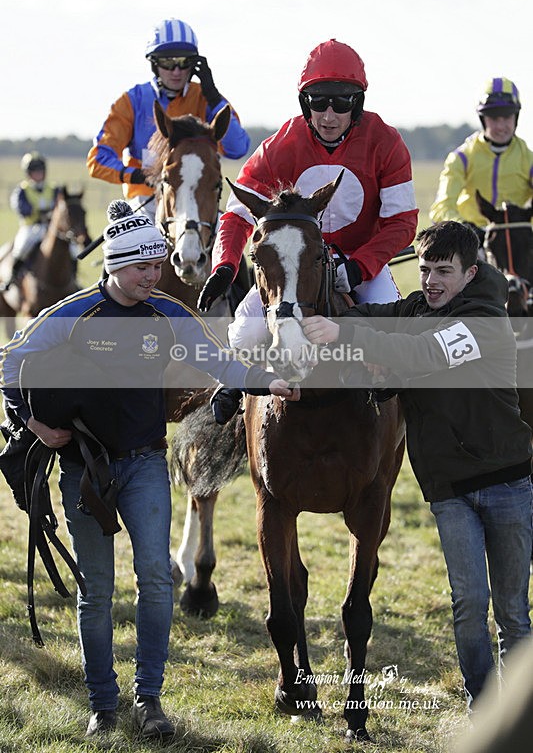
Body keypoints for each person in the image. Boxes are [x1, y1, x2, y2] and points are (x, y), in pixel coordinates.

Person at [0, 201, 296, 740]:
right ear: (114, 265)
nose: (154, 276)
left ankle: (150, 699)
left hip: (144, 465)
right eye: (143, 268)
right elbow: (9, 363)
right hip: (84, 471)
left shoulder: (167, 313)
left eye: (157, 266)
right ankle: (103, 705)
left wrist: (265, 379)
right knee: (97, 589)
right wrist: (35, 426)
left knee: (157, 581)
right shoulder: (73, 314)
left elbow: (218, 361)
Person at [300, 221, 533, 713]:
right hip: (448, 490)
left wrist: (344, 332)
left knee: (512, 612)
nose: (430, 281)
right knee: (469, 607)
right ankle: (482, 706)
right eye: (424, 269)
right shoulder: (417, 308)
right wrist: (335, 314)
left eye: (443, 272)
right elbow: (376, 316)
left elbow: (422, 352)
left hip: (508, 482)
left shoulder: (487, 320)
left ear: (471, 274)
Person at [197, 38, 419, 348]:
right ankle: (228, 393)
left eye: (341, 104)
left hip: (359, 263)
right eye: (318, 102)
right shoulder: (279, 147)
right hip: (292, 264)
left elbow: (402, 222)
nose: (328, 116)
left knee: (394, 337)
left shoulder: (387, 142)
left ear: (357, 104)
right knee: (244, 338)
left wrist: (359, 267)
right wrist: (225, 266)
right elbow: (237, 214)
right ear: (305, 103)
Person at [87, 17, 250, 220]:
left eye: (184, 63)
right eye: (167, 63)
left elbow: (238, 148)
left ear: (195, 65)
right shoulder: (131, 101)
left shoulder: (205, 98)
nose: (176, 71)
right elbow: (98, 160)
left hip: (198, 204)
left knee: (227, 247)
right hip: (145, 204)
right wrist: (138, 176)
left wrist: (214, 96)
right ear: (154, 64)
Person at [429, 77, 533, 242]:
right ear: (483, 119)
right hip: (471, 241)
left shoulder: (529, 160)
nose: (500, 126)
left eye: (506, 117)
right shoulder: (461, 158)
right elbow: (441, 208)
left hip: (515, 242)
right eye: (493, 118)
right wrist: (465, 229)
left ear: (516, 117)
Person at [2, 152, 60, 291]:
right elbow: (22, 208)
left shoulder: (53, 188)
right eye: (35, 171)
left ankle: (73, 278)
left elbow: (59, 206)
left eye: (40, 170)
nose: (38, 174)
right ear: (28, 173)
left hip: (50, 227)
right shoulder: (22, 190)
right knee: (22, 247)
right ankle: (12, 276)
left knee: (71, 248)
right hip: (31, 227)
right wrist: (40, 212)